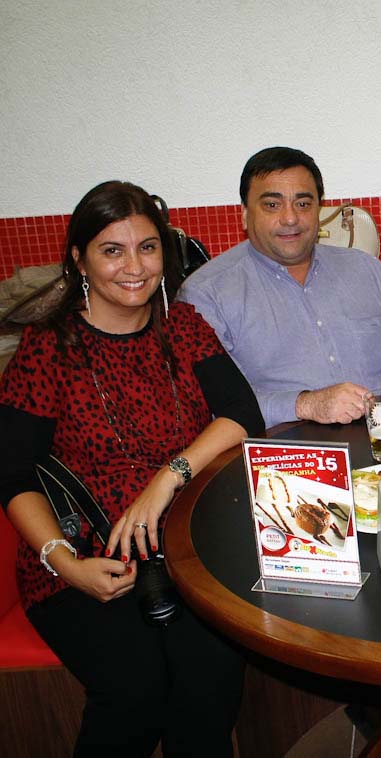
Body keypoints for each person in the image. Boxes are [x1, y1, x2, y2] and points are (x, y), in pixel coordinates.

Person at [0, 181, 265, 756]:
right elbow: (13, 474)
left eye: (147, 247)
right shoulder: (49, 348)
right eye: (112, 250)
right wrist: (67, 566)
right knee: (135, 692)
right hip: (85, 553)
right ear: (80, 259)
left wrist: (166, 479)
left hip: (187, 548)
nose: (135, 267)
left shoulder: (183, 326)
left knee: (211, 682)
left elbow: (243, 414)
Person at [178, 147, 381, 429]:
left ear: (319, 209)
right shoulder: (206, 296)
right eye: (272, 205)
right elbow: (212, 407)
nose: (290, 218)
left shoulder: (369, 272)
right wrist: (304, 405)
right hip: (280, 455)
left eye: (303, 204)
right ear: (244, 213)